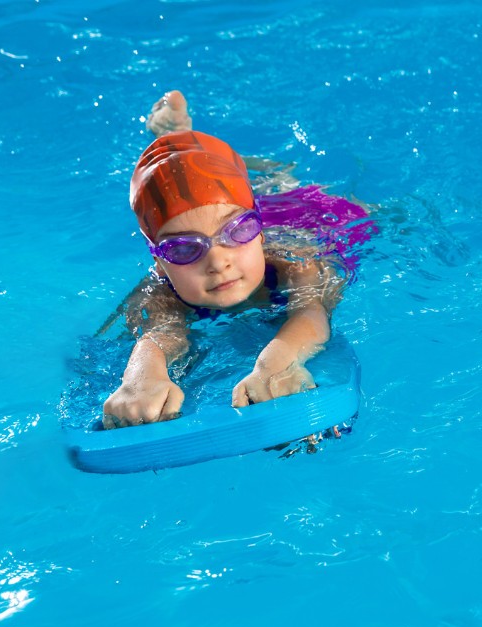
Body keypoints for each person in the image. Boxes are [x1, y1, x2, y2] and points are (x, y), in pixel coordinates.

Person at [101, 91, 371, 429]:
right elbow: (159, 334)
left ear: (259, 232)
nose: (217, 262)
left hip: (298, 217)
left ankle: (182, 138)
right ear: (160, 264)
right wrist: (140, 377)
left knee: (283, 184)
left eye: (239, 231)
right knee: (205, 185)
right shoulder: (160, 292)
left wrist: (278, 361)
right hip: (231, 205)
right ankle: (178, 140)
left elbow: (311, 310)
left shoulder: (298, 261)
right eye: (183, 248)